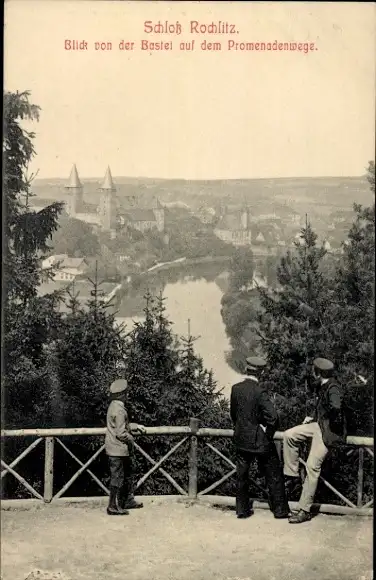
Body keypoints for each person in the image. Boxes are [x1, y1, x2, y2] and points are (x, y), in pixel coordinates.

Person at [283, 357, 347, 524]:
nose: (312, 373)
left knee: (312, 466)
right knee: (289, 435)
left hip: (326, 432)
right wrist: (313, 417)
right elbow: (324, 407)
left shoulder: (333, 387)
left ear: (318, 374)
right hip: (318, 425)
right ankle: (292, 474)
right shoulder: (324, 385)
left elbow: (336, 407)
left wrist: (329, 424)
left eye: (314, 371)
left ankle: (304, 510)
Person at [230, 356, 290, 520]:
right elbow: (274, 418)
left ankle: (241, 510)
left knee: (242, 474)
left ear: (246, 370)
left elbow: (234, 415)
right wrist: (267, 433)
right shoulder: (259, 391)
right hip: (259, 440)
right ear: (261, 372)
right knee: (274, 473)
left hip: (241, 438)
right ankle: (280, 511)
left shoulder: (236, 389)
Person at [105, 378, 146, 515]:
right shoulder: (120, 410)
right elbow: (121, 432)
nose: (127, 395)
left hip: (114, 448)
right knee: (117, 477)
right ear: (122, 394)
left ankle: (127, 501)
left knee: (126, 475)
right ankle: (112, 506)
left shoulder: (113, 406)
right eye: (126, 393)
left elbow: (122, 425)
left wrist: (135, 426)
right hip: (118, 449)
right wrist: (131, 439)